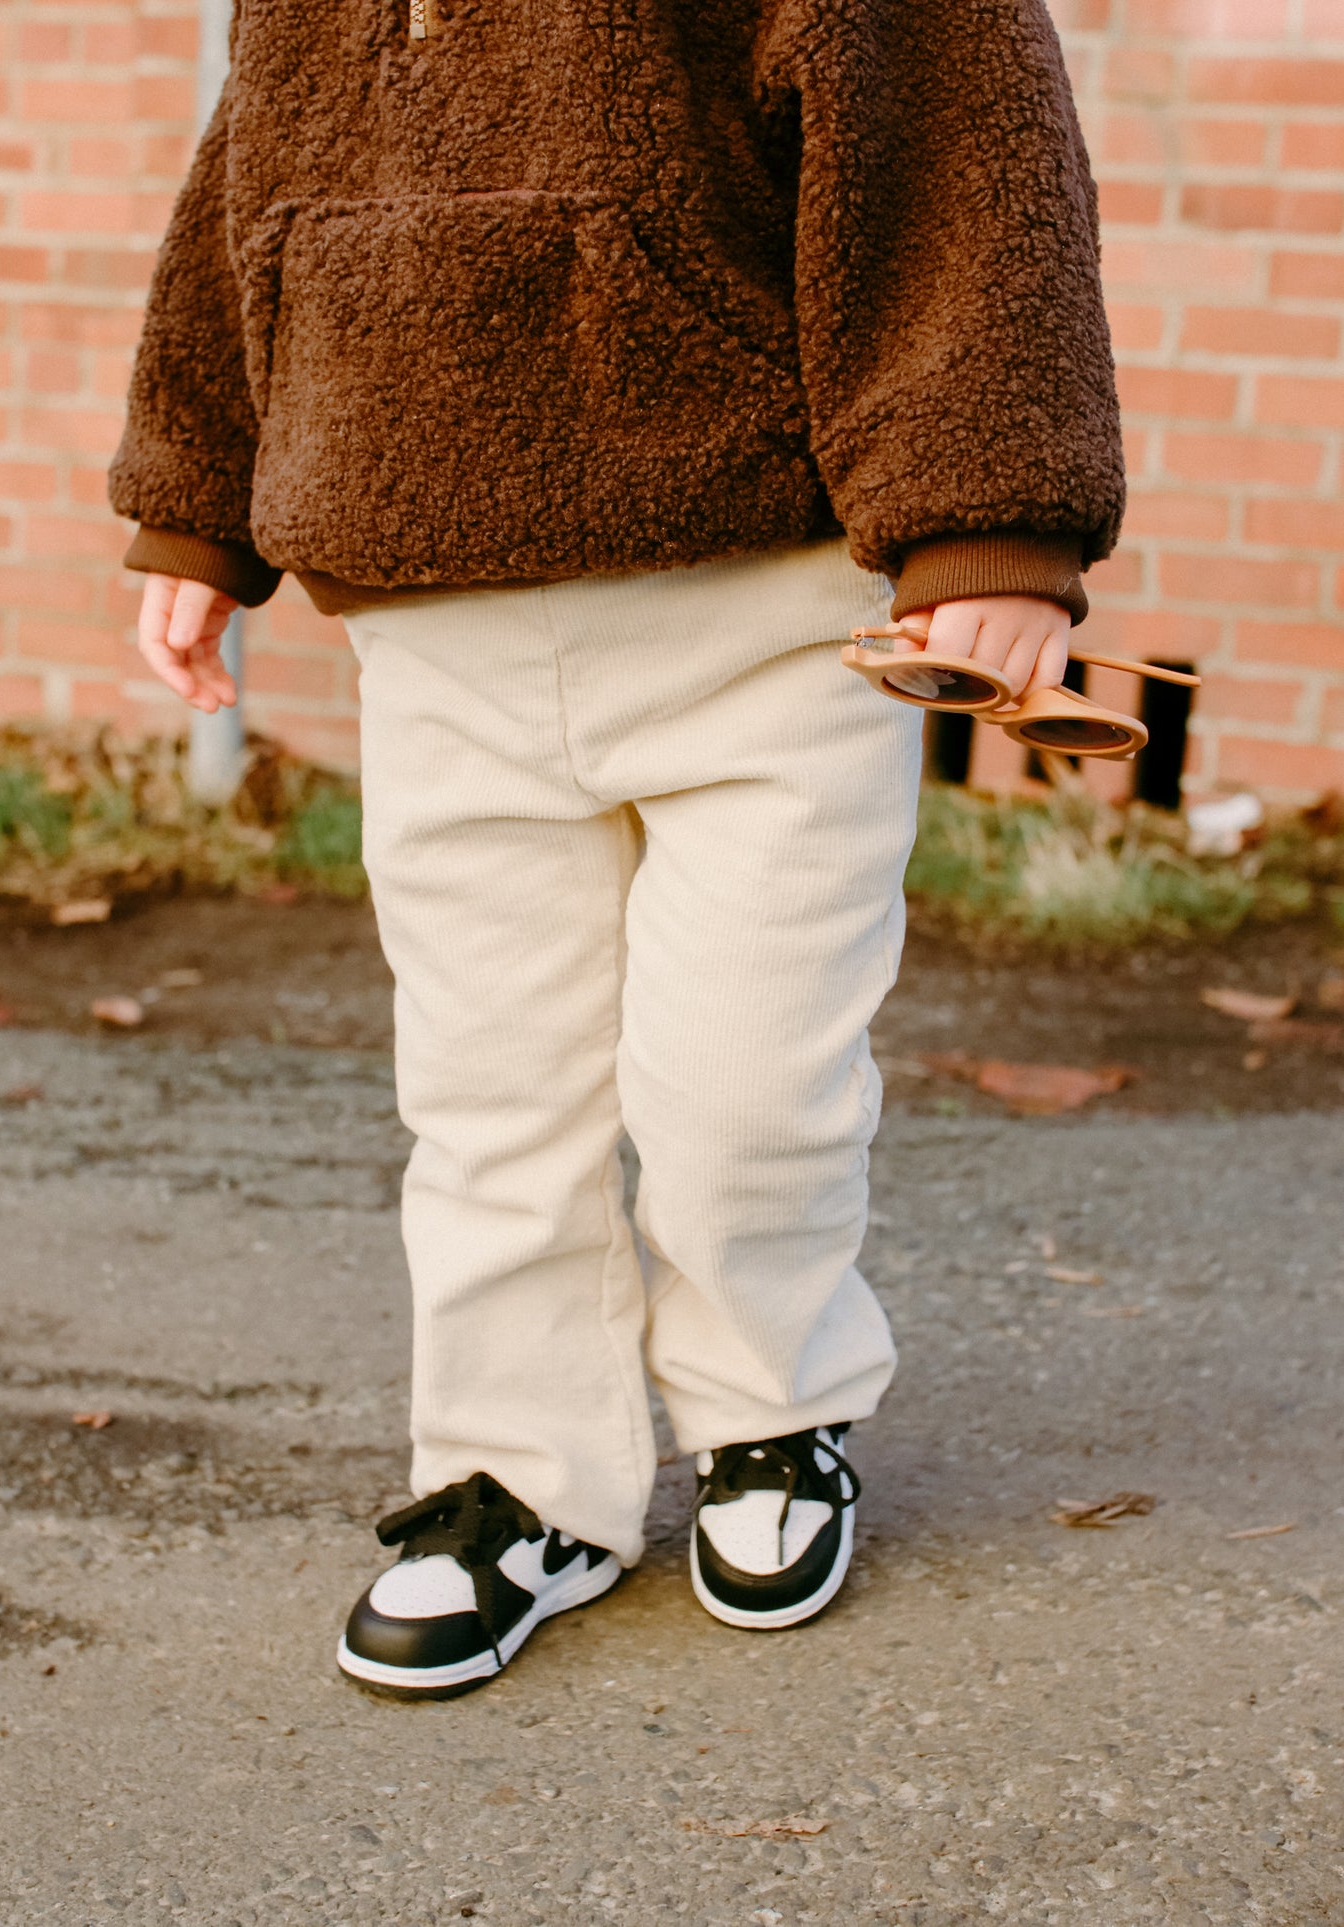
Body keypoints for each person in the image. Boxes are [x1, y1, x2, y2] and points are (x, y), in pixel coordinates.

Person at [111, 0, 1123, 1697]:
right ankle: (517, 1476)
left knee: (741, 1087)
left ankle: (770, 1416)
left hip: (764, 608)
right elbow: (257, 177)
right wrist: (196, 502)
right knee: (492, 1092)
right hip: (436, 617)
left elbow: (954, 135)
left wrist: (987, 521)